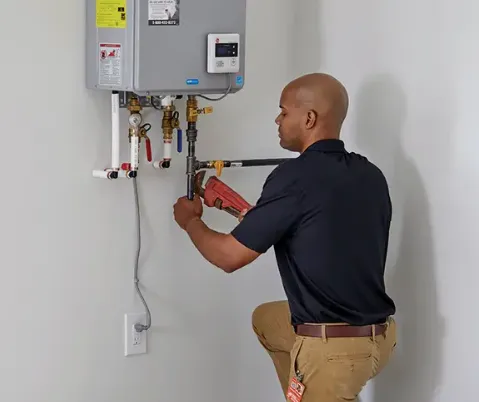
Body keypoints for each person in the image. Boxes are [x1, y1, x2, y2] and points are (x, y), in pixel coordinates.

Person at [173, 72, 397, 401]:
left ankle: (323, 386)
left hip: (334, 350)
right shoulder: (370, 174)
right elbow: (312, 225)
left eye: (283, 111)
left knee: (324, 371)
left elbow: (228, 257)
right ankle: (314, 390)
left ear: (309, 119)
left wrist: (190, 221)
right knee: (266, 319)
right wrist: (234, 207)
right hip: (380, 336)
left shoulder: (294, 177)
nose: (277, 120)